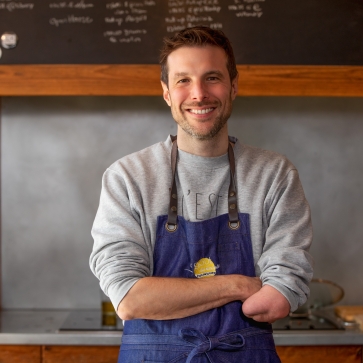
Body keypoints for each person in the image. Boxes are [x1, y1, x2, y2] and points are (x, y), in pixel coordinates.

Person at [90, 26, 313, 362]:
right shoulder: (128, 178)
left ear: (233, 86)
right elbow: (131, 299)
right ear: (166, 93)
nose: (198, 93)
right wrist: (238, 285)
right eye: (183, 80)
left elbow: (274, 300)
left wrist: (166, 296)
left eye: (212, 77)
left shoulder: (275, 175)